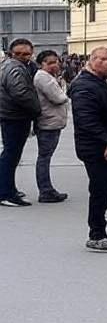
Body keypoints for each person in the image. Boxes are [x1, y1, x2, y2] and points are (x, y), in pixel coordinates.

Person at [67, 47, 107, 252]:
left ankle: (98, 227)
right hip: (96, 147)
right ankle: (97, 234)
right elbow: (86, 119)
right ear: (97, 60)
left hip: (105, 145)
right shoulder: (85, 86)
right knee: (101, 188)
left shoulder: (98, 83)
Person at [0, 37, 42, 207]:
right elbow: (20, 92)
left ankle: (8, 188)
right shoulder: (14, 68)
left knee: (11, 154)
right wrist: (36, 108)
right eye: (19, 53)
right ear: (11, 53)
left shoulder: (12, 66)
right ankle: (6, 193)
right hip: (14, 116)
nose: (23, 56)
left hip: (12, 115)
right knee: (10, 155)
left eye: (26, 54)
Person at [33, 49, 69, 203]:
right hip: (48, 122)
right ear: (42, 64)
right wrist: (63, 87)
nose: (55, 65)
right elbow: (59, 98)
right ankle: (46, 190)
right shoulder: (43, 78)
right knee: (44, 157)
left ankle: (46, 189)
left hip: (51, 121)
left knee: (44, 156)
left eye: (56, 62)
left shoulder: (48, 77)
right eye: (50, 63)